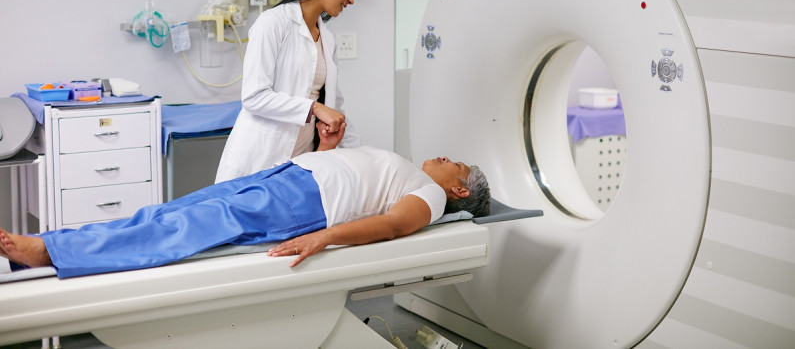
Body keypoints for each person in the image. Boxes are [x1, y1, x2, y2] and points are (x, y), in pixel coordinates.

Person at [0, 121, 490, 279]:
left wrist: (323, 239)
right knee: (169, 213)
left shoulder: (432, 197)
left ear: (459, 189)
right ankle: (50, 244)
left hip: (306, 204)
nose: (447, 158)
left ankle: (50, 253)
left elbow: (390, 227)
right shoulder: (411, 171)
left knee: (183, 228)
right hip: (293, 177)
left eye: (458, 165)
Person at [215, 0, 365, 183]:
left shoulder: (328, 39)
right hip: (260, 160)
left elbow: (336, 107)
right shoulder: (273, 23)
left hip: (301, 162)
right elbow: (254, 97)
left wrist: (362, 158)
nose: (352, 0)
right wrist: (314, 108)